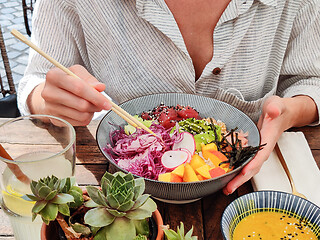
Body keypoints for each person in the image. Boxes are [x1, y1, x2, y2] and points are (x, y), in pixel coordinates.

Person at [17, 0, 320, 195]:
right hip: (121, 192)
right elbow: (35, 80)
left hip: (251, 191)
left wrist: (290, 111)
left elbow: (311, 80)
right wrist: (48, 101)